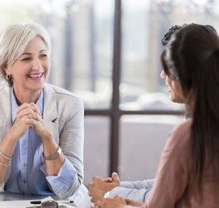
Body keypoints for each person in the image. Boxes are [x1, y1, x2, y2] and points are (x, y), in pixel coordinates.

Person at [93, 23, 219, 207]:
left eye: (166, 68)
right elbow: (170, 185)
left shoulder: (190, 134)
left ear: (180, 74)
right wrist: (120, 191)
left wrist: (115, 200)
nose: (162, 76)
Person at [0, 23, 86, 203]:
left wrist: (47, 137)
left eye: (43, 56)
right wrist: (11, 137)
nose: (38, 66)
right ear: (6, 66)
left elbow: (68, 190)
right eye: (26, 58)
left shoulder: (70, 105)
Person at [88, 25, 183, 205]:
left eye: (169, 66)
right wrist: (118, 188)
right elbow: (166, 184)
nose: (163, 75)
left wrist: (112, 193)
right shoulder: (193, 119)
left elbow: (163, 198)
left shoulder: (191, 131)